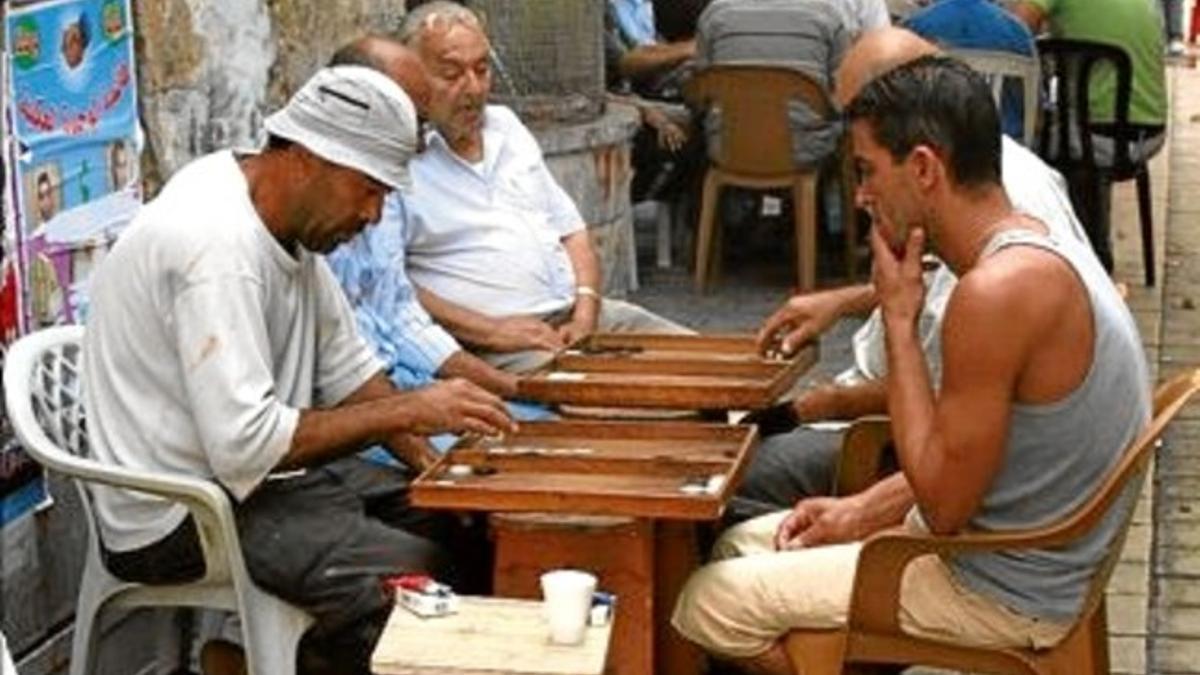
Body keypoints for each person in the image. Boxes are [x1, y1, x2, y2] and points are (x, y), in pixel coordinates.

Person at [673, 53, 1150, 674]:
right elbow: (969, 459)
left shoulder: (994, 294)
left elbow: (946, 508)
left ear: (924, 167)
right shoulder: (1028, 241)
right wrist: (861, 511)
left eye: (868, 172)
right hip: (1030, 556)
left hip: (1000, 587)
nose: (864, 197)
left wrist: (900, 320)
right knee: (738, 542)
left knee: (707, 601)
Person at [83, 63, 514, 675]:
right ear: (309, 159)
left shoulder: (286, 219)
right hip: (178, 510)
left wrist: (432, 466)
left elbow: (350, 371)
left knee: (461, 522)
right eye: (369, 190)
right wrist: (411, 407)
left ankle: (249, 662)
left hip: (257, 483)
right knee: (414, 577)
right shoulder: (216, 245)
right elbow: (244, 446)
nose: (373, 215)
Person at [732, 27, 1092, 522]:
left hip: (895, 447)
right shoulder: (984, 194)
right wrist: (846, 301)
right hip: (918, 444)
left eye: (866, 165)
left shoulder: (999, 277)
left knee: (726, 477)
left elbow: (947, 482)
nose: (859, 193)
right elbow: (934, 284)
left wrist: (824, 405)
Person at [392, 2, 688, 375]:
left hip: (578, 314)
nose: (473, 88)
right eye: (451, 74)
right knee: (649, 397)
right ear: (411, 78)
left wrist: (586, 307)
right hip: (499, 341)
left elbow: (574, 232)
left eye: (482, 70)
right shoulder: (398, 162)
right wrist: (492, 331)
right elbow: (390, 286)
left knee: (720, 365)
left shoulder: (505, 126)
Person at [1010, 0, 1168, 272]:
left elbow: (1013, 33)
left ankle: (1085, 255)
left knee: (1024, 146)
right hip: (1150, 129)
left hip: (1098, 134)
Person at [694, 0, 851, 172]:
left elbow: (703, 91)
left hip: (726, 149)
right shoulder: (828, 16)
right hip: (806, 151)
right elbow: (840, 88)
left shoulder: (714, 14)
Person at [904, 0, 1036, 142]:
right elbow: (1034, 112)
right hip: (1004, 147)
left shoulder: (913, 29)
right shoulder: (1019, 33)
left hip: (934, 146)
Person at [606, 0, 697, 101]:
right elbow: (625, 63)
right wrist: (693, 48)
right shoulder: (599, 10)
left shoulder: (645, 5)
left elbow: (655, 45)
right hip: (633, 94)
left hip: (665, 79)